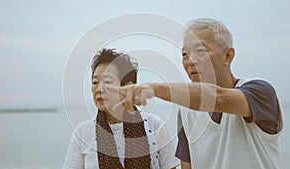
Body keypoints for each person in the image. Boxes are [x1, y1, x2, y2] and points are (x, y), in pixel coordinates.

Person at [108, 18, 283, 169]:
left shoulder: (260, 92)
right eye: (184, 54)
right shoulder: (186, 112)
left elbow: (219, 99)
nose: (190, 61)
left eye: (201, 50)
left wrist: (155, 89)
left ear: (228, 56)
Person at [62, 48, 179, 169]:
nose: (99, 89)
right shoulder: (83, 133)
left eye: (107, 81)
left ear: (128, 87)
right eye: (95, 82)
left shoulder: (154, 125)